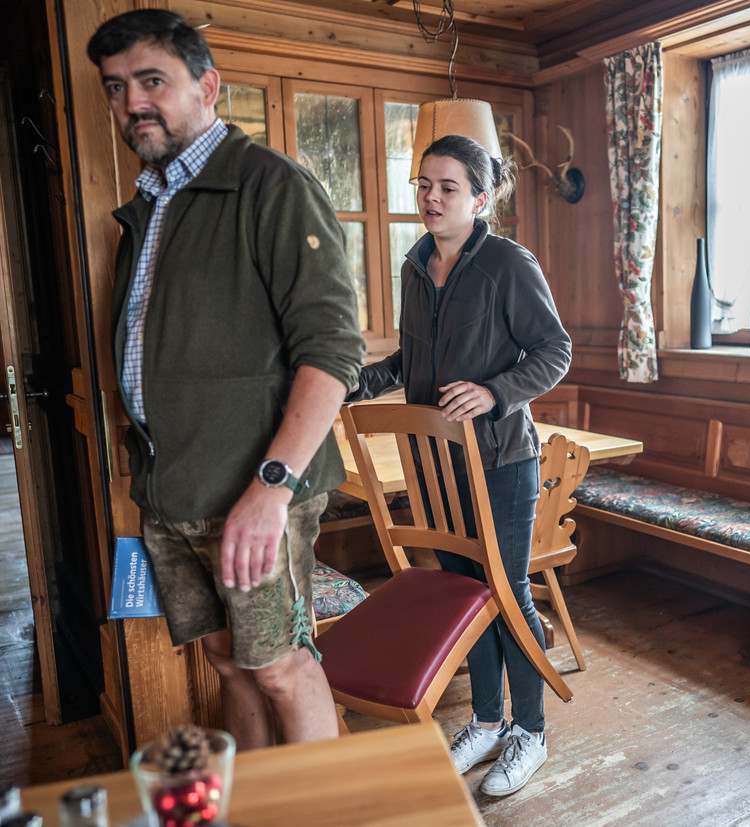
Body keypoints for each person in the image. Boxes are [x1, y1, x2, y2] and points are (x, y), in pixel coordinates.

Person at [87, 10, 364, 748]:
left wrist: (270, 488)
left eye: (153, 81)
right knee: (227, 663)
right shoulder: (149, 206)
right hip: (171, 493)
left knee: (278, 666)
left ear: (208, 86)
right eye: (116, 88)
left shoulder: (271, 186)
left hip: (253, 492)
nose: (132, 103)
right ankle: (249, 805)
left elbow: (334, 352)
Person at [349, 134, 571, 795]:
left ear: (479, 198)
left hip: (502, 460)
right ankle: (486, 717)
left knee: (506, 593)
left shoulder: (507, 262)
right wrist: (353, 380)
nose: (432, 197)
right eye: (424, 184)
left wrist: (495, 391)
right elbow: (408, 362)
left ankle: (529, 731)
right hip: (436, 468)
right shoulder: (416, 265)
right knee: (462, 599)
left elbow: (554, 350)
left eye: (448, 187)